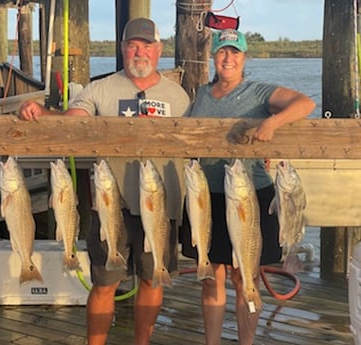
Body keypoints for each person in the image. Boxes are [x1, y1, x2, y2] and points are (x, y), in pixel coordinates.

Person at [20, 18, 191, 345]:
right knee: (104, 282)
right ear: (122, 49)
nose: (139, 52)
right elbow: (75, 121)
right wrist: (42, 113)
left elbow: (199, 142)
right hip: (113, 201)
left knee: (152, 280)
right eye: (132, 45)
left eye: (146, 45)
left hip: (161, 203)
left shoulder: (179, 96)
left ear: (159, 50)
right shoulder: (100, 88)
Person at [183, 28, 316, 345]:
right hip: (207, 195)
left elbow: (305, 103)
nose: (228, 58)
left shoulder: (258, 92)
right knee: (211, 277)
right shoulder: (200, 95)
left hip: (251, 197)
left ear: (244, 58)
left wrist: (272, 123)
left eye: (235, 52)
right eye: (222, 51)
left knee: (246, 275)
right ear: (213, 56)